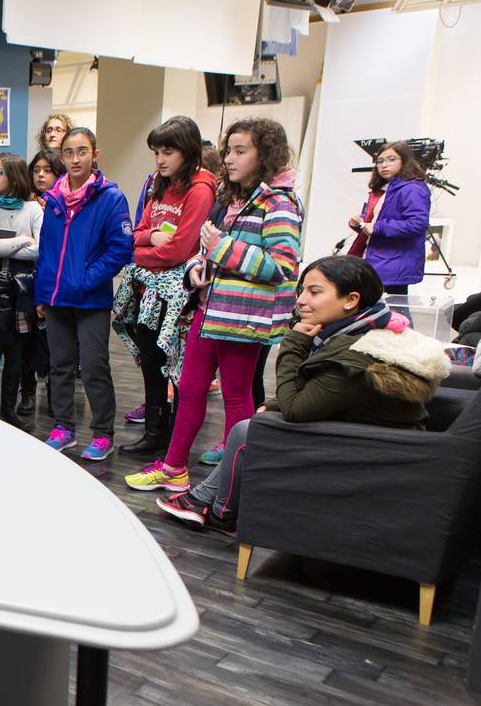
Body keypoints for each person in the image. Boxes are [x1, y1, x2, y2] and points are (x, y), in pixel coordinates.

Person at [157, 257, 448, 533]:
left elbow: (298, 408)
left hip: (373, 451)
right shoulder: (358, 334)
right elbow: (320, 393)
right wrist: (271, 405)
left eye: (314, 291)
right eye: (302, 290)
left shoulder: (357, 353)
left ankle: (221, 513)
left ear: (351, 300)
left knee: (248, 429)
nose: (301, 300)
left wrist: (293, 343)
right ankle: (199, 501)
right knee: (262, 415)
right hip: (363, 432)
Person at [126, 117, 302, 493]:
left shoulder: (280, 204)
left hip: (243, 318)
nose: (231, 159)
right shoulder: (230, 197)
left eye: (241, 151)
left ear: (265, 155)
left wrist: (223, 248)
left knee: (237, 396)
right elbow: (203, 250)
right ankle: (174, 468)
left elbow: (283, 267)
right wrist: (195, 268)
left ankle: (234, 483)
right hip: (211, 308)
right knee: (189, 388)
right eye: (228, 151)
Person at [113, 116, 217, 457]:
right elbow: (137, 233)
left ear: (187, 150)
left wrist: (145, 248)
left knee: (169, 364)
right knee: (149, 360)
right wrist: (151, 241)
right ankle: (155, 430)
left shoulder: (200, 189)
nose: (160, 159)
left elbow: (180, 250)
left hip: (178, 297)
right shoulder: (160, 182)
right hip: (147, 293)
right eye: (157, 151)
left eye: (168, 151)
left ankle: (169, 435)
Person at [33, 127, 133, 460]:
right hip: (57, 297)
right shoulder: (54, 200)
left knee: (93, 367)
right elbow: (46, 249)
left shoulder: (111, 198)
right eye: (69, 153)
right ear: (61, 157)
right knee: (59, 366)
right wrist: (42, 293)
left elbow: (120, 249)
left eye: (82, 151)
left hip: (91, 298)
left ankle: (103, 434)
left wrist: (84, 279)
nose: (75, 159)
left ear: (95, 154)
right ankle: (64, 427)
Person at [0, 152, 42, 421]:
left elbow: (42, 249)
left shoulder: (33, 209)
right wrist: (23, 239)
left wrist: (7, 239)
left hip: (22, 294)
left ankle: (9, 411)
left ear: (13, 176)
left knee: (16, 356)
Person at [16, 148, 64, 415]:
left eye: (47, 170)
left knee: (55, 343)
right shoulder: (22, 202)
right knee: (27, 340)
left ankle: (57, 397)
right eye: (37, 170)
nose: (41, 175)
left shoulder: (65, 202)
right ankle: (28, 393)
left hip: (55, 280)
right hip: (27, 278)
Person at [348, 140, 431, 295]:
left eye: (391, 159)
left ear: (405, 161)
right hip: (376, 259)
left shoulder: (412, 189)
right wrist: (359, 222)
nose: (384, 165)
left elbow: (418, 224)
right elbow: (375, 218)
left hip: (394, 265)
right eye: (380, 161)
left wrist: (377, 227)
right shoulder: (383, 189)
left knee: (394, 315)